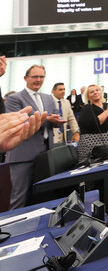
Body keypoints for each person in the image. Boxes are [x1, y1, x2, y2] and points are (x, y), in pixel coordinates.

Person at [5, 65, 65, 209]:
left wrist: (56, 121)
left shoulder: (48, 98)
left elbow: (53, 120)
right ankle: (15, 231)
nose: (38, 80)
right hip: (23, 155)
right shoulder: (14, 99)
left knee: (44, 197)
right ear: (26, 78)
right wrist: (47, 119)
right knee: (20, 198)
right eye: (35, 77)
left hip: (46, 155)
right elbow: (19, 122)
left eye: (41, 77)